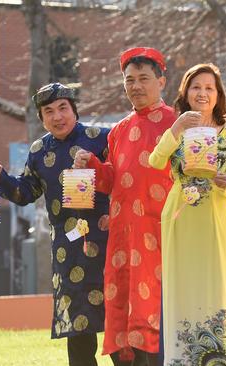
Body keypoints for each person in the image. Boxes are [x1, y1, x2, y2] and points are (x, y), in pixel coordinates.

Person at [0, 82, 110, 366]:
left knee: (117, 331)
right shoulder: (39, 150)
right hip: (68, 251)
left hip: (108, 245)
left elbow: (124, 183)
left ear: (74, 110)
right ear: (41, 118)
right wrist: (2, 180)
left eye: (63, 108)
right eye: (48, 111)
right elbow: (26, 192)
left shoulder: (102, 138)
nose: (57, 116)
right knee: (78, 334)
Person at [74, 47, 175, 365]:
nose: (136, 86)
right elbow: (110, 181)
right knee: (121, 313)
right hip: (122, 237)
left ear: (161, 81)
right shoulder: (117, 131)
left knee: (155, 316)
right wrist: (89, 163)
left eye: (144, 78)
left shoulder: (177, 123)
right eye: (129, 80)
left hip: (160, 234)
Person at [148, 63, 226, 365]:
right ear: (185, 93)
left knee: (217, 289)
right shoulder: (177, 129)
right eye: (196, 87)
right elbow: (155, 161)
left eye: (209, 88)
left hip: (215, 220)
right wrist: (176, 129)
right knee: (182, 289)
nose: (202, 93)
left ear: (218, 96)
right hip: (181, 219)